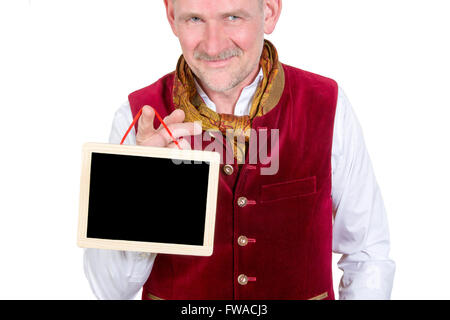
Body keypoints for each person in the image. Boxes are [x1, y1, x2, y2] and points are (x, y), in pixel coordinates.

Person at [83, 0, 395, 300]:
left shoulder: (328, 104)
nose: (213, 45)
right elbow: (108, 290)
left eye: (233, 17)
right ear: (171, 15)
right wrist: (143, 187)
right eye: (194, 19)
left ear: (269, 12)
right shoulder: (138, 119)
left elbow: (367, 254)